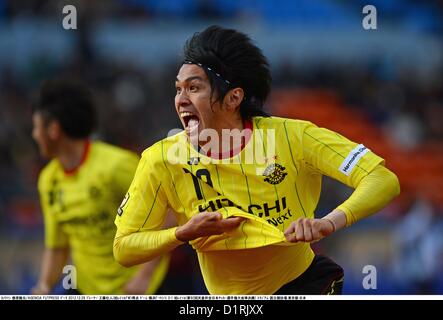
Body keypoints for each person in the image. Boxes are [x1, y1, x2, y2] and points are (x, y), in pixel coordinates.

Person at [113, 25, 400, 295]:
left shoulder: (294, 137)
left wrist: (328, 222)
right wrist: (181, 233)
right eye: (178, 89)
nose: (181, 99)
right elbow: (124, 249)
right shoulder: (160, 159)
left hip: (304, 285)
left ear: (233, 97)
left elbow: (382, 179)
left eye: (194, 87)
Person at [31, 78, 170, 295]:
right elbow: (57, 246)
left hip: (140, 287)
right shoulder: (48, 181)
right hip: (89, 289)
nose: (34, 135)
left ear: (54, 130)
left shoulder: (117, 166)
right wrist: (44, 286)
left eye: (37, 127)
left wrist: (144, 276)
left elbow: (167, 213)